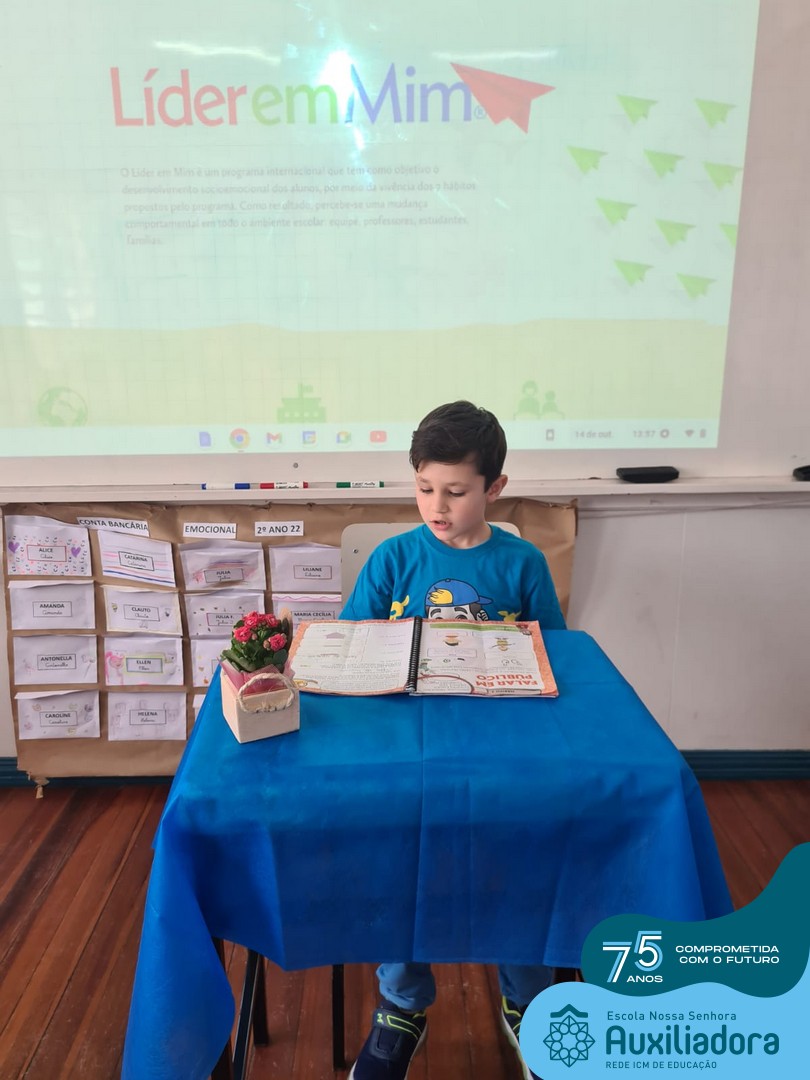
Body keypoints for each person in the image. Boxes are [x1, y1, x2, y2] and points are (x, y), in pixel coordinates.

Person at [342, 400, 566, 1080]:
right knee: (398, 857)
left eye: (456, 491)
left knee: (521, 852)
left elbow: (556, 655)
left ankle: (528, 998)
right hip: (407, 749)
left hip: (501, 750)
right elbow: (351, 646)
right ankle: (401, 1005)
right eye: (425, 487)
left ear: (494, 488)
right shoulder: (393, 558)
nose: (437, 506)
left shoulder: (523, 562)